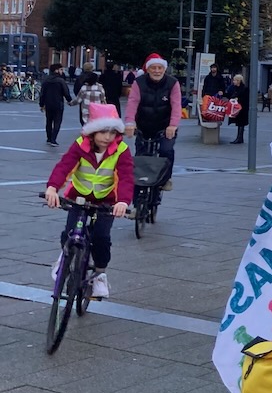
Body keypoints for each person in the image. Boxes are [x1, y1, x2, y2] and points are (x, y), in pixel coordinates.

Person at [44, 102, 134, 300]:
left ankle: (100, 274)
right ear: (92, 132)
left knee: (101, 237)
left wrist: (123, 202)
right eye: (102, 132)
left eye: (112, 132)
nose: (107, 137)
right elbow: (64, 167)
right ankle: (64, 258)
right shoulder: (80, 145)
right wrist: (52, 188)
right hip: (79, 197)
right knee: (69, 231)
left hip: (106, 201)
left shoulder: (121, 149)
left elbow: (126, 177)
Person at [123, 53, 181, 189]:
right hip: (144, 125)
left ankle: (166, 179)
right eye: (153, 68)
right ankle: (138, 200)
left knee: (166, 150)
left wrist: (173, 125)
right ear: (148, 69)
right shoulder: (139, 83)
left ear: (164, 69)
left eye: (160, 68)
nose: (157, 71)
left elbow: (176, 105)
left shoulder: (172, 83)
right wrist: (130, 123)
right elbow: (132, 103)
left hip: (164, 126)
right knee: (141, 156)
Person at [38, 63, 74, 146]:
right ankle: (53, 139)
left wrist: (41, 104)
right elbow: (66, 92)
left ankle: (49, 138)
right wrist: (69, 101)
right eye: (61, 69)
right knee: (57, 122)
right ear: (56, 70)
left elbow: (42, 93)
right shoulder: (60, 80)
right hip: (58, 104)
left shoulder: (46, 80)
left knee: (48, 121)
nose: (62, 71)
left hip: (48, 104)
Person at [228, 74, 250, 144]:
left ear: (238, 81)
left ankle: (239, 138)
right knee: (239, 123)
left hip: (242, 108)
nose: (233, 81)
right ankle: (239, 138)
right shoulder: (234, 88)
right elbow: (230, 94)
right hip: (237, 108)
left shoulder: (244, 88)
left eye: (234, 80)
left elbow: (246, 98)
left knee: (241, 123)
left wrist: (238, 99)